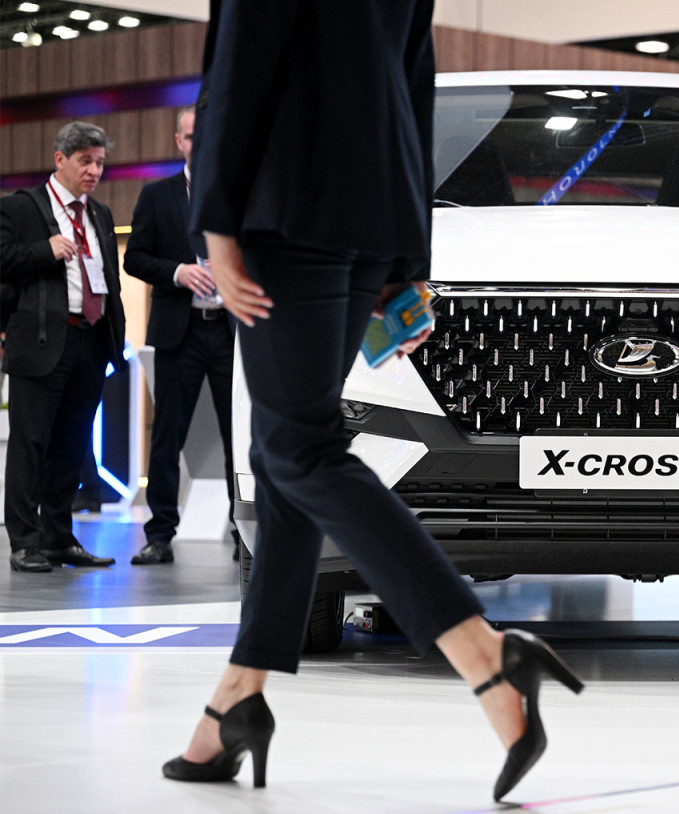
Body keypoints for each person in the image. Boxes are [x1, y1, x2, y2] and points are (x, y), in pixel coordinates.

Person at [161, 1, 583, 802]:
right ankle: (236, 701)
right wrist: (408, 252)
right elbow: (411, 80)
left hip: (286, 204)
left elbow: (240, 66)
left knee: (300, 448)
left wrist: (212, 212)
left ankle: (484, 656)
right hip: (373, 210)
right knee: (283, 454)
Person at [1, 121, 126, 573]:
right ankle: (24, 541)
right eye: (85, 161)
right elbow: (3, 261)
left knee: (72, 447)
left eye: (99, 163)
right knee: (30, 444)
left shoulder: (101, 215)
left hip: (89, 342)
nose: (94, 171)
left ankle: (58, 538)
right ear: (60, 160)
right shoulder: (23, 208)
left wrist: (116, 340)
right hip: (40, 343)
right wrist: (44, 250)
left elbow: (109, 280)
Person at [125, 105, 234, 566]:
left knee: (241, 437)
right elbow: (134, 259)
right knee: (167, 436)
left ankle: (243, 527)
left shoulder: (238, 195)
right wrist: (177, 271)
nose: (200, 144)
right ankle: (160, 534)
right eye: (192, 137)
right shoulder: (158, 195)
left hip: (231, 334)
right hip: (179, 333)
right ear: (179, 142)